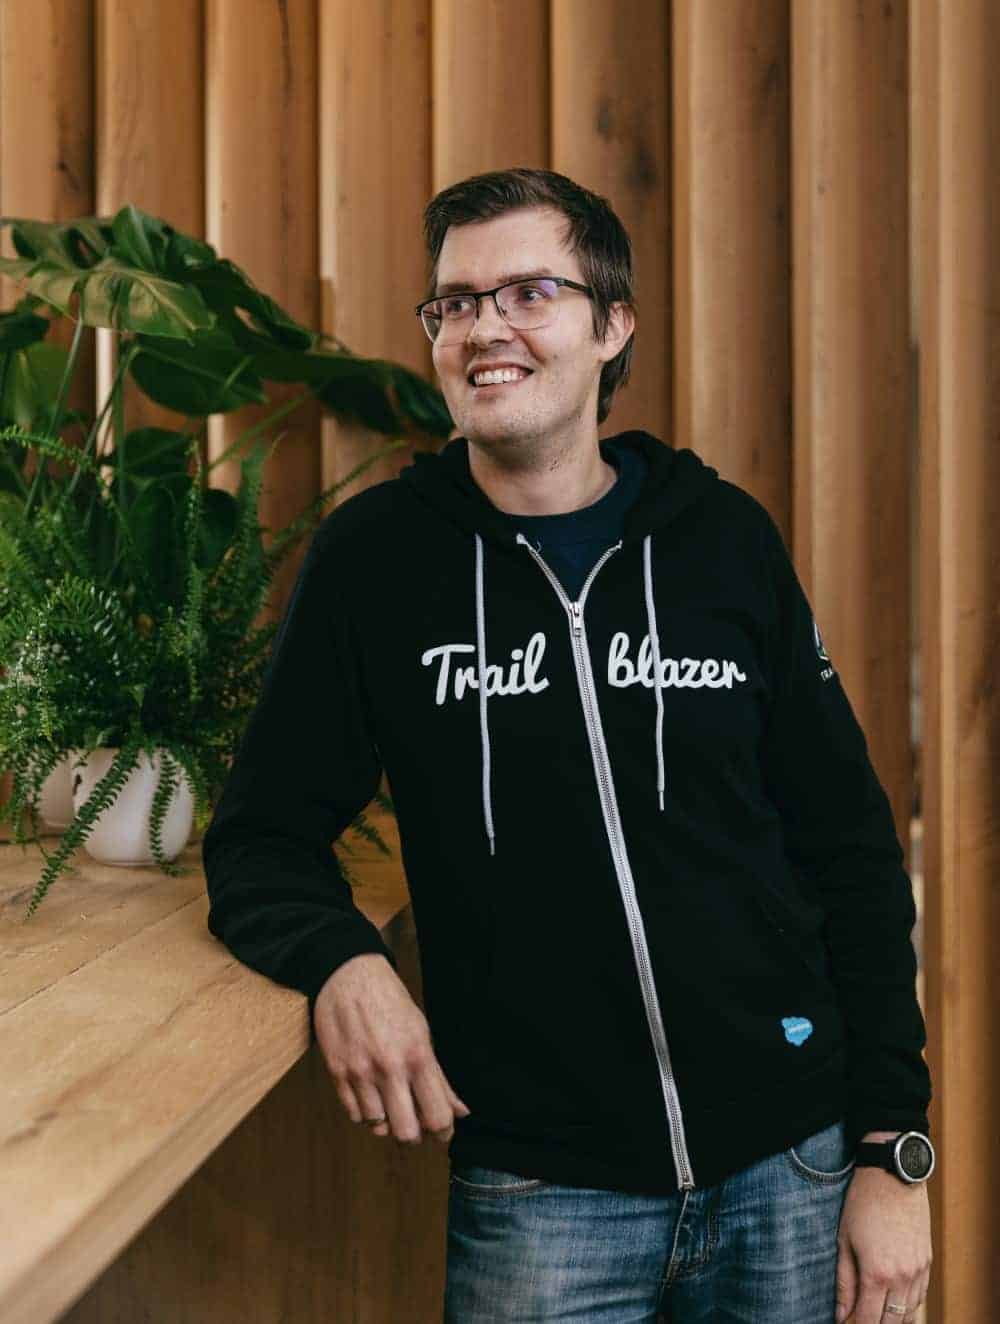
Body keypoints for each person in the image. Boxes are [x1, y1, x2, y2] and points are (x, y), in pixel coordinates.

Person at [202, 167, 934, 1323]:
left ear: (611, 324)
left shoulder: (722, 543)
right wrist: (344, 961)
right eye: (453, 302)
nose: (483, 325)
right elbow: (259, 840)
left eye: (528, 291)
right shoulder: (379, 566)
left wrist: (894, 1151)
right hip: (543, 1193)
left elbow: (849, 851)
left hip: (790, 1162)